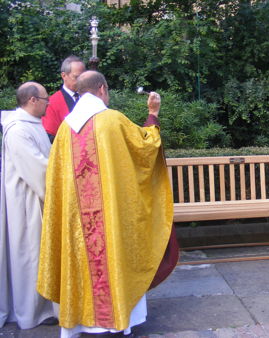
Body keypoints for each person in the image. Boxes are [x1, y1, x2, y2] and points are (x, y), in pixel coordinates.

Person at [37, 71, 179, 337]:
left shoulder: (66, 129)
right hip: (109, 221)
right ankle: (116, 321)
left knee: (79, 259)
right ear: (102, 89)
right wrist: (153, 114)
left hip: (77, 222)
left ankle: (79, 322)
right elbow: (146, 148)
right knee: (114, 255)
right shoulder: (112, 121)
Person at [0, 82, 57, 329]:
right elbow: (38, 169)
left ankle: (44, 306)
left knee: (38, 254)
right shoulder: (17, 130)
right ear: (33, 100)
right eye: (45, 98)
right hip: (26, 204)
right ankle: (31, 312)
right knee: (30, 255)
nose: (49, 103)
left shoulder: (32, 125)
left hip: (37, 199)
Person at [41, 55, 85, 142]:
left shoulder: (90, 98)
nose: (81, 81)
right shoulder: (52, 102)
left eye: (83, 77)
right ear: (64, 75)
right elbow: (50, 136)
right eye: (76, 77)